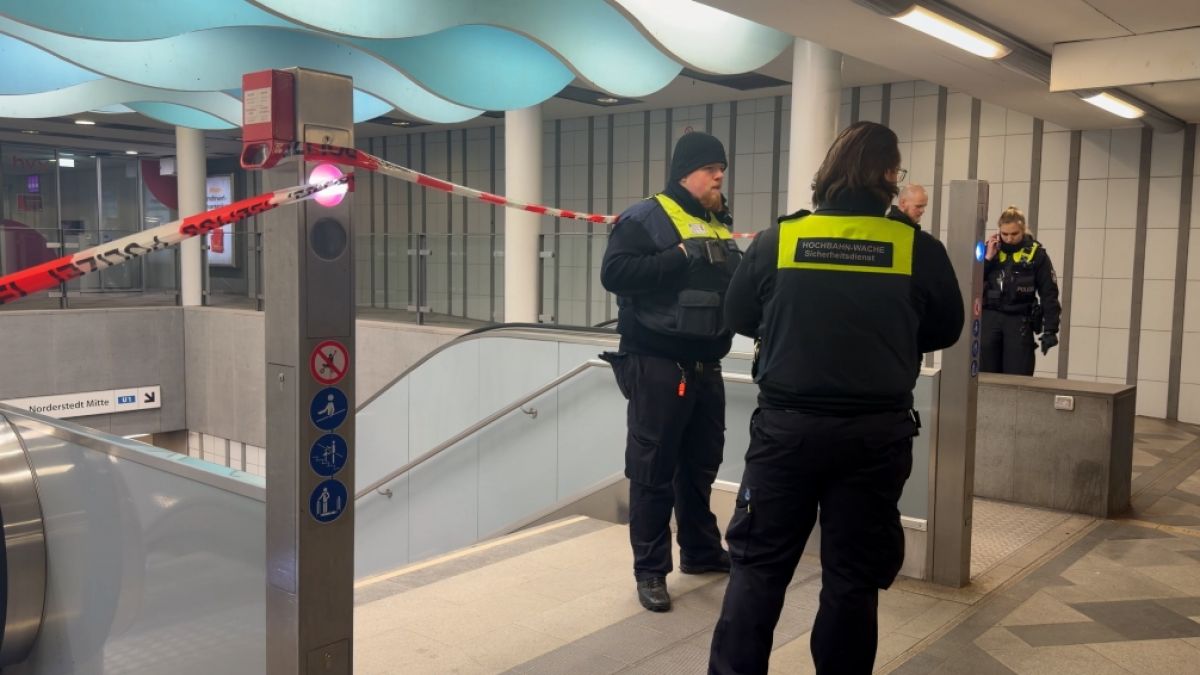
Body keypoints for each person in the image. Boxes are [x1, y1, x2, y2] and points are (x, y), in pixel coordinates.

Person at [707, 121, 964, 674]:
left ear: (827, 173)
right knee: (852, 579)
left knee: (758, 569)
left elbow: (739, 316)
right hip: (875, 437)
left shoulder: (782, 239)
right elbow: (944, 330)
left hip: (786, 432)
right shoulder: (916, 247)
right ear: (891, 178)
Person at [600, 131, 742, 613]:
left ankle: (701, 551)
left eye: (721, 167)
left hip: (706, 362)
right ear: (685, 172)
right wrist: (678, 257)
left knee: (701, 463)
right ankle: (650, 571)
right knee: (653, 470)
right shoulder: (645, 217)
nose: (719, 174)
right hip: (658, 362)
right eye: (709, 168)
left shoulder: (717, 220)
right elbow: (615, 274)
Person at [980, 206, 1061, 375]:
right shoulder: (988, 250)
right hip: (989, 319)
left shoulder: (1036, 254)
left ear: (1023, 230)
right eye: (1004, 234)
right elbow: (971, 282)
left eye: (1014, 234)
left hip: (1019, 321)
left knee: (1017, 377)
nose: (1009, 239)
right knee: (984, 377)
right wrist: (987, 259)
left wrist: (1051, 329)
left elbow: (1049, 293)